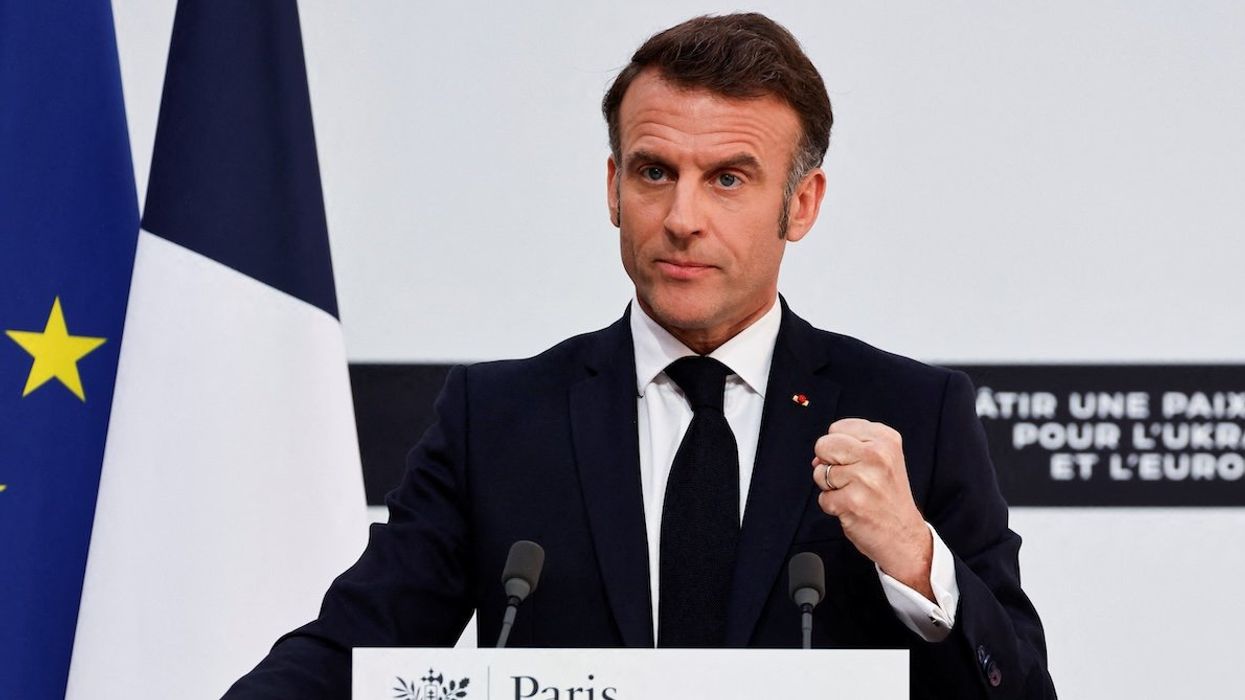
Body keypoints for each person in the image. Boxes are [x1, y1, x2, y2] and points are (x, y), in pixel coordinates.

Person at [226, 13, 1055, 699]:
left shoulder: (912, 414)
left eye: (727, 179)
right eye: (655, 172)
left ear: (800, 204)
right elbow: (354, 649)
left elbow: (1020, 687)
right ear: (612, 188)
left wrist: (915, 558)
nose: (682, 218)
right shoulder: (498, 421)